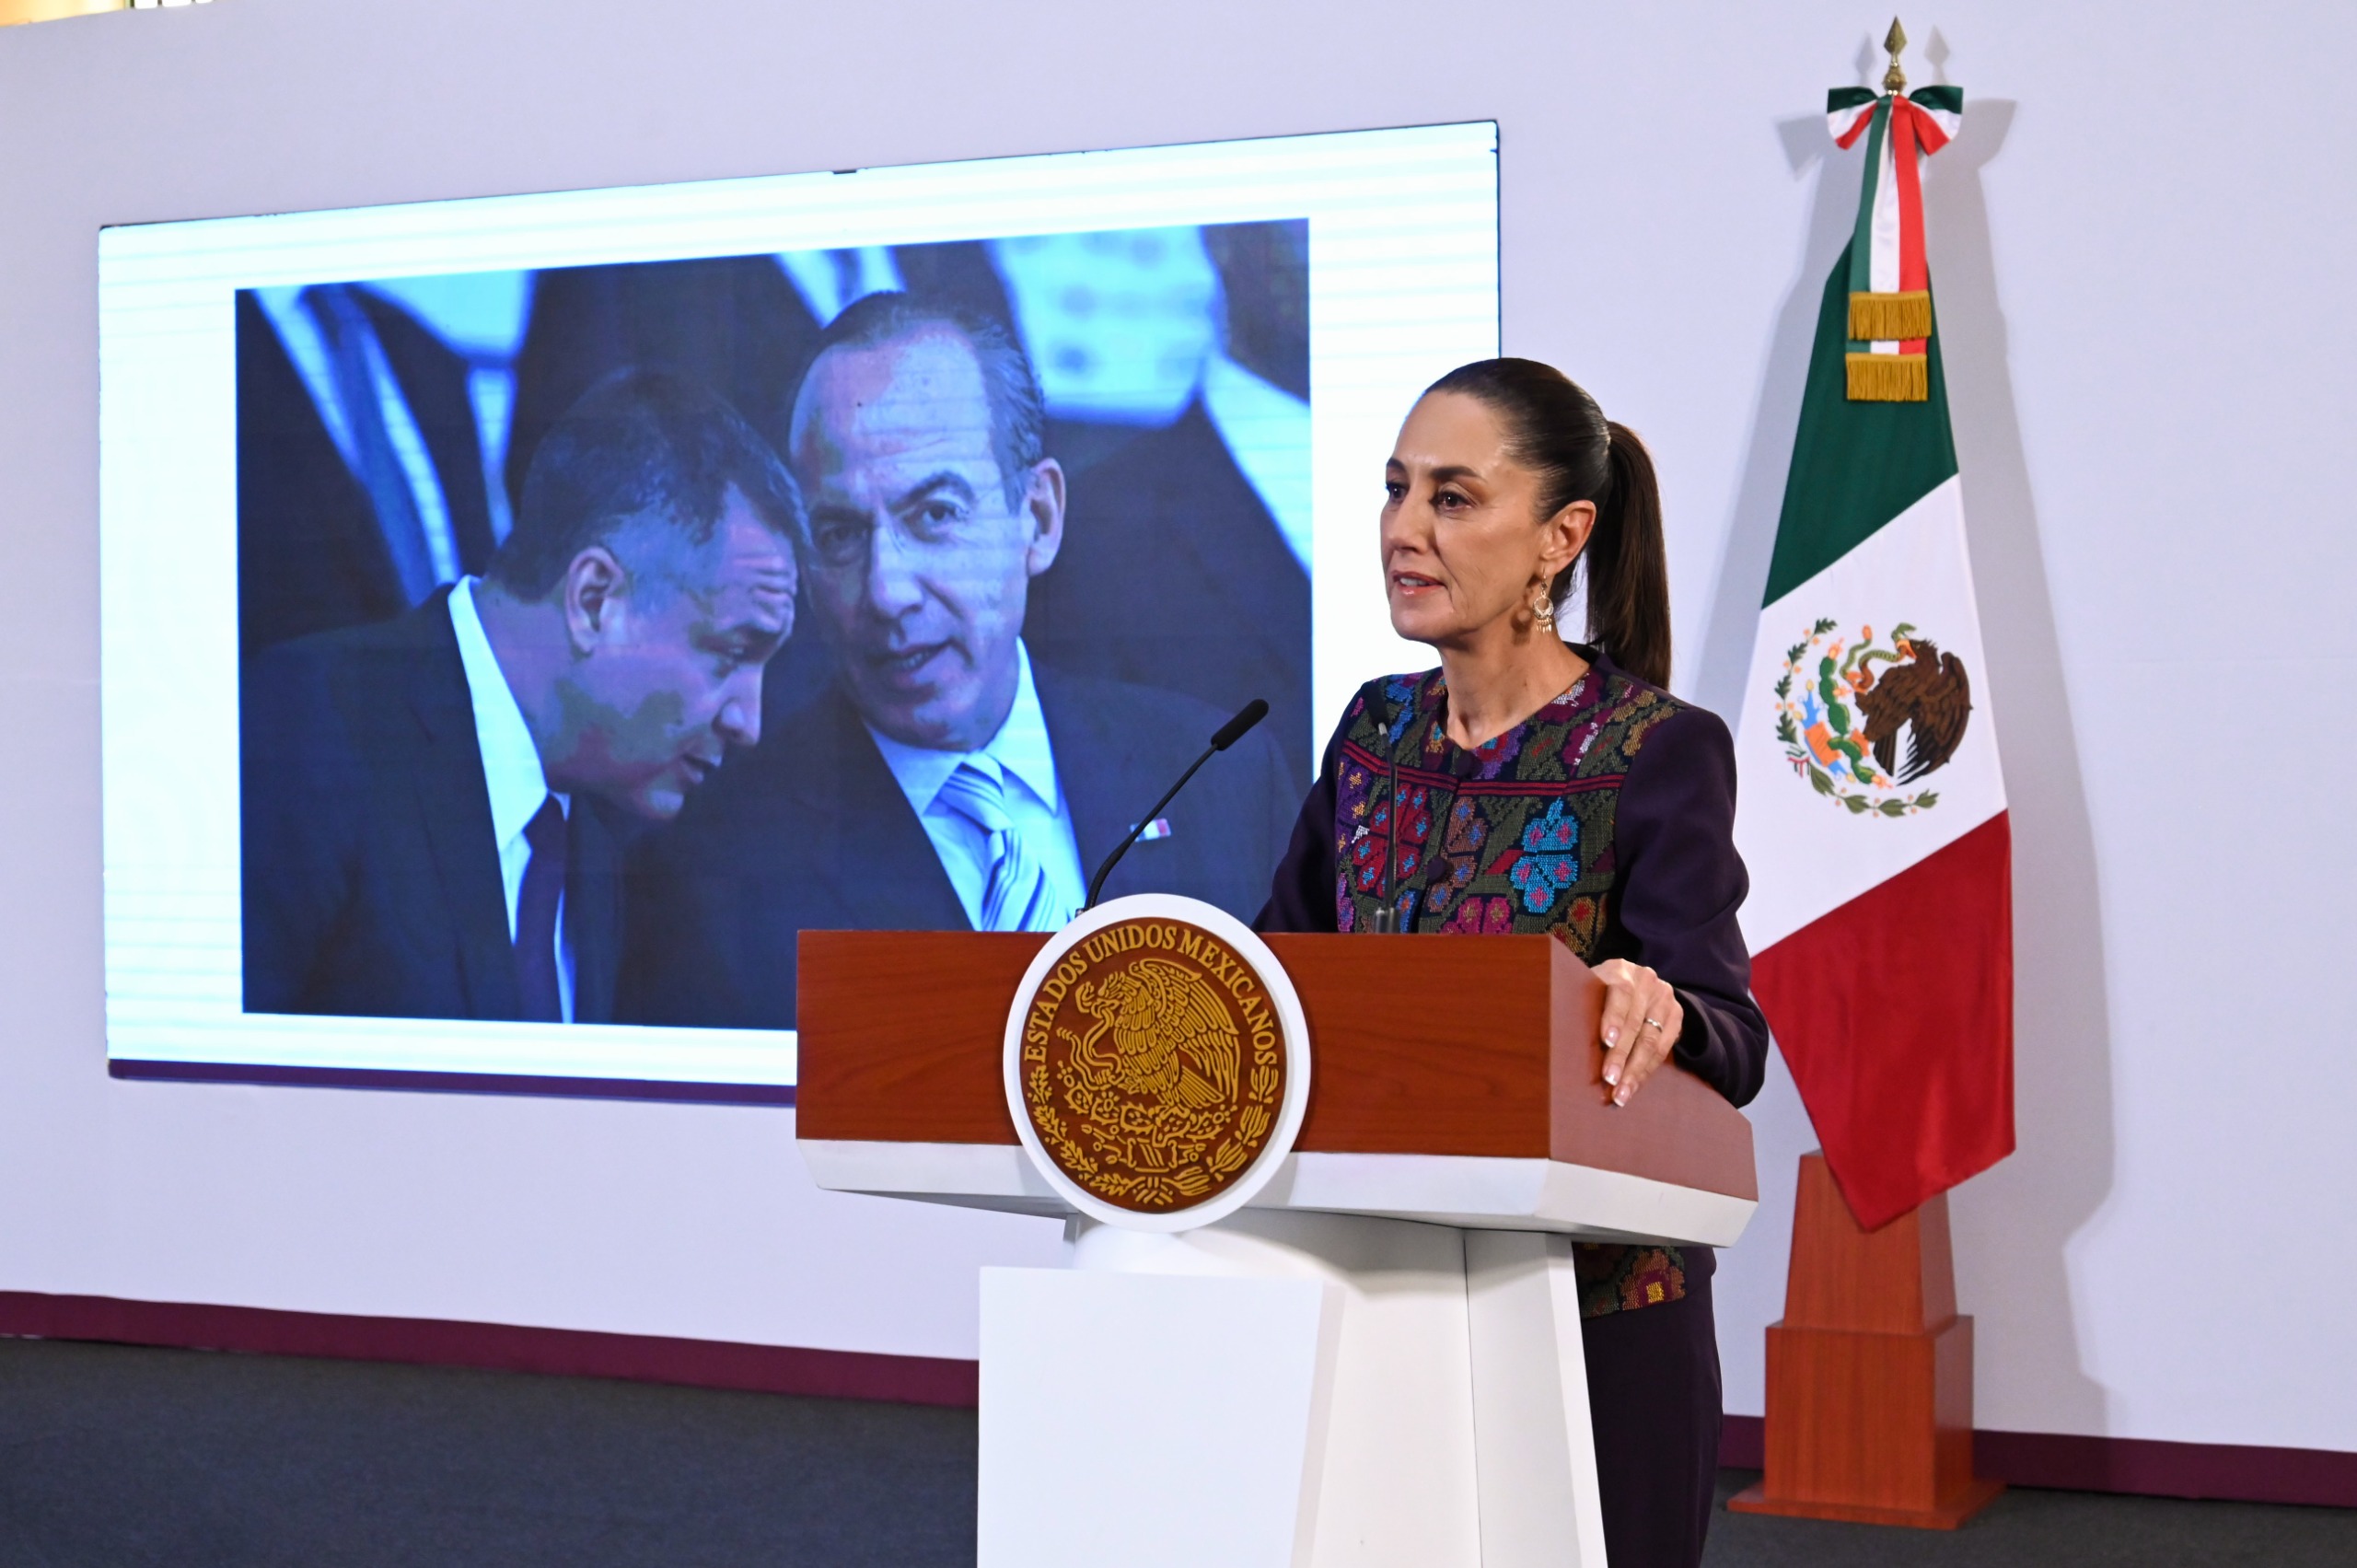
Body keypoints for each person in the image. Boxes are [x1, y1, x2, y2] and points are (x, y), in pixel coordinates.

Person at [1257, 358, 1769, 1568]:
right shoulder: (1373, 732)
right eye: (1395, 490)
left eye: (1451, 496)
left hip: (1597, 1312)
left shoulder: (1658, 749)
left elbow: (1733, 1038)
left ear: (1561, 536)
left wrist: (1661, 1005)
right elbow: (1282, 973)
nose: (1402, 530)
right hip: (1383, 1289)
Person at [619, 293, 1296, 1029]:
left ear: (1037, 519)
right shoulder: (712, 875)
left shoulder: (1219, 781)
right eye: (840, 534)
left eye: (935, 515)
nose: (886, 591)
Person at [241, 370, 802, 1023]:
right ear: (595, 599)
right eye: (730, 654)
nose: (749, 721)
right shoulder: (307, 729)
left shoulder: (608, 840)